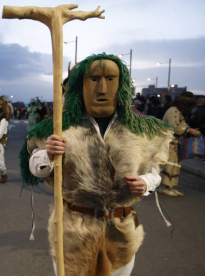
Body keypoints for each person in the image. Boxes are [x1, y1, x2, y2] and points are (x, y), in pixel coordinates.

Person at [20, 53, 172, 275]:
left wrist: (146, 182)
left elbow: (155, 172)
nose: (102, 88)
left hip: (120, 233)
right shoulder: (58, 127)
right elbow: (35, 169)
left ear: (121, 85)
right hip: (73, 231)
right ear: (80, 85)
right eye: (93, 79)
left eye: (110, 79)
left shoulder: (140, 129)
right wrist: (48, 155)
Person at [159, 92, 202, 197]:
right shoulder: (173, 110)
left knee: (174, 165)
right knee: (170, 164)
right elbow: (175, 127)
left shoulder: (177, 111)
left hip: (174, 143)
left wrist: (189, 130)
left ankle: (171, 186)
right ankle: (166, 186)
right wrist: (190, 130)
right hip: (169, 143)